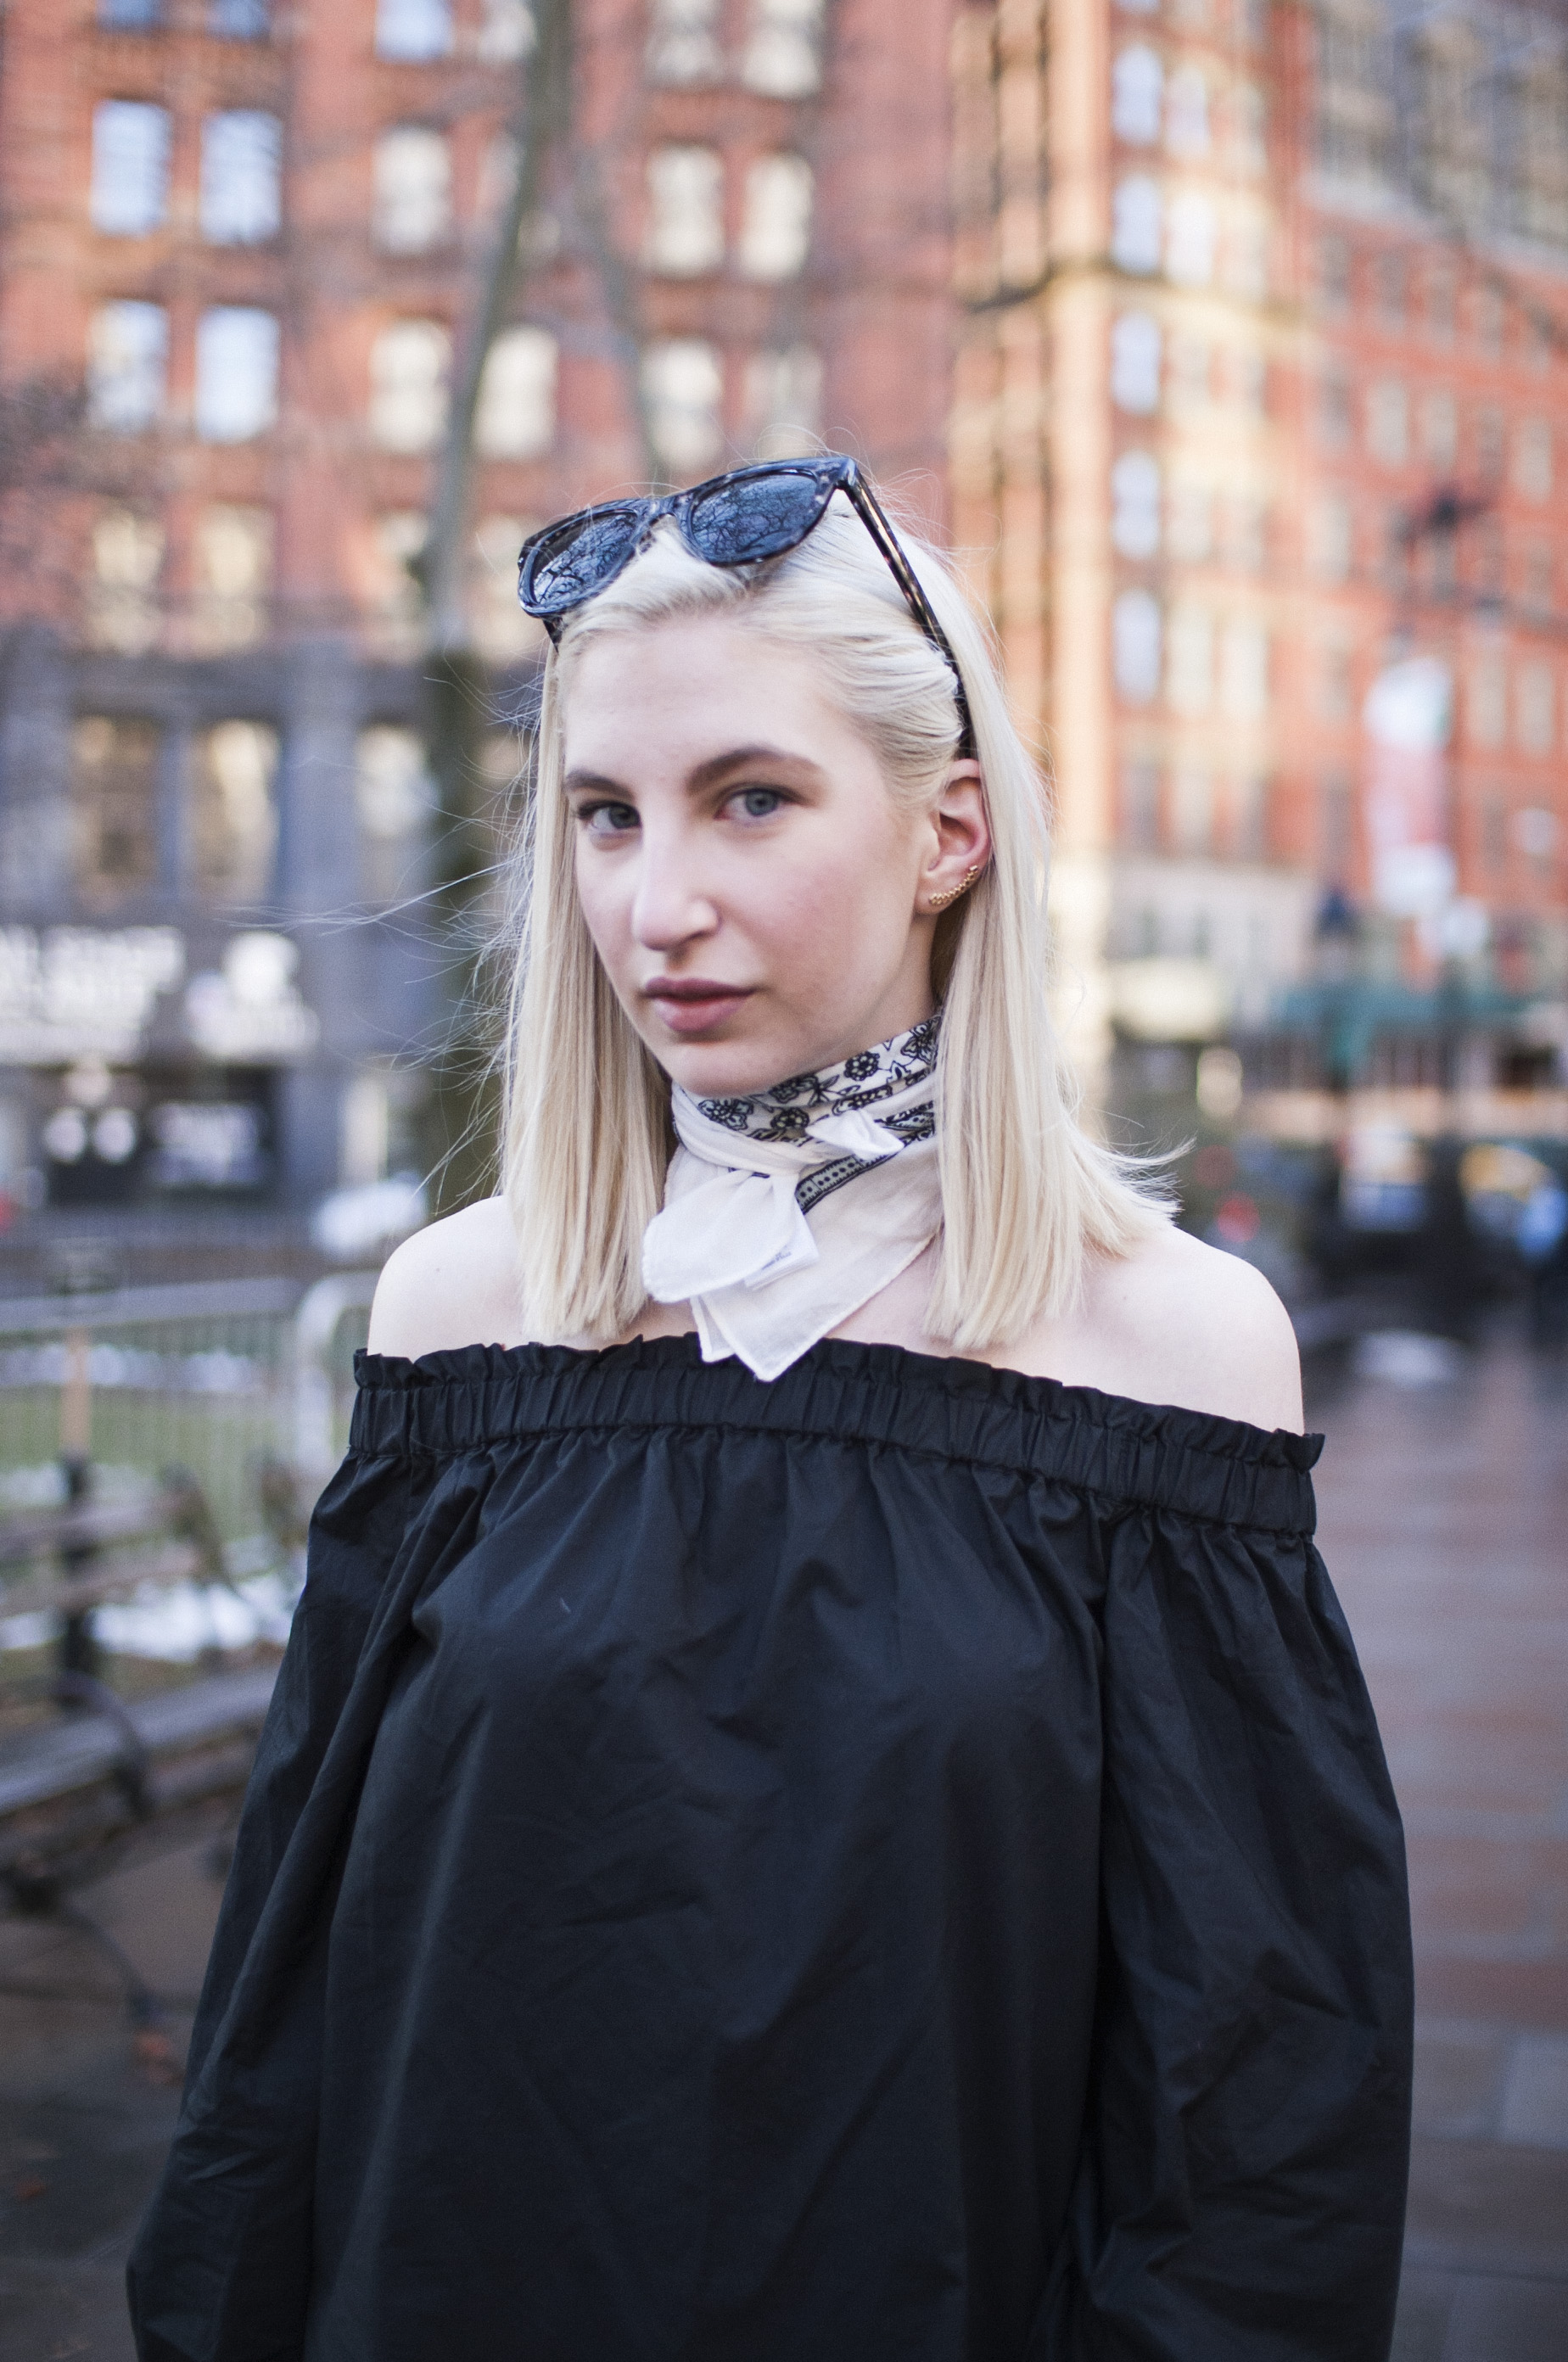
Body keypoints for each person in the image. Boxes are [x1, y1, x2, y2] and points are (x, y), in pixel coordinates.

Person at [129, 458, 1412, 2362]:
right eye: (605, 815)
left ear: (948, 829)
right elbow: (287, 2002)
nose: (661, 902)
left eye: (750, 799)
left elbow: (1253, 2090)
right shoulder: (460, 1320)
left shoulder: (1172, 1353)